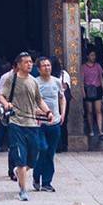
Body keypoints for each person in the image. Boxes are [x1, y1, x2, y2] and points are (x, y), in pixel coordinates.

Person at [0, 52, 50, 201]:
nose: (29, 64)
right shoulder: (11, 79)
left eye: (31, 62)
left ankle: (19, 172)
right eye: (26, 62)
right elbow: (1, 96)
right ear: (19, 64)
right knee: (21, 157)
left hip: (32, 123)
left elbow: (39, 100)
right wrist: (6, 104)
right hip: (16, 123)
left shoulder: (33, 81)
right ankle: (22, 190)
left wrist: (48, 112)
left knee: (34, 155)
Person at [34, 56, 67, 191]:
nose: (47, 68)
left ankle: (47, 182)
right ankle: (36, 176)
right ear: (38, 69)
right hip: (40, 123)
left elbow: (62, 98)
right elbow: (32, 102)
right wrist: (36, 113)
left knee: (51, 152)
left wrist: (62, 113)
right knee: (43, 149)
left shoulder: (57, 81)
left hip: (55, 122)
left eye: (48, 65)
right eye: (44, 66)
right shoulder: (35, 83)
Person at [80, 50, 103, 145]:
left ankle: (100, 130)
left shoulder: (98, 66)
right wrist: (83, 91)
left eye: (94, 55)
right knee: (89, 111)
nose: (93, 57)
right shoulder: (83, 67)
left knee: (98, 110)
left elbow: (101, 78)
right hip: (88, 89)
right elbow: (81, 80)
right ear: (87, 56)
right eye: (91, 55)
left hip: (97, 88)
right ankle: (91, 129)